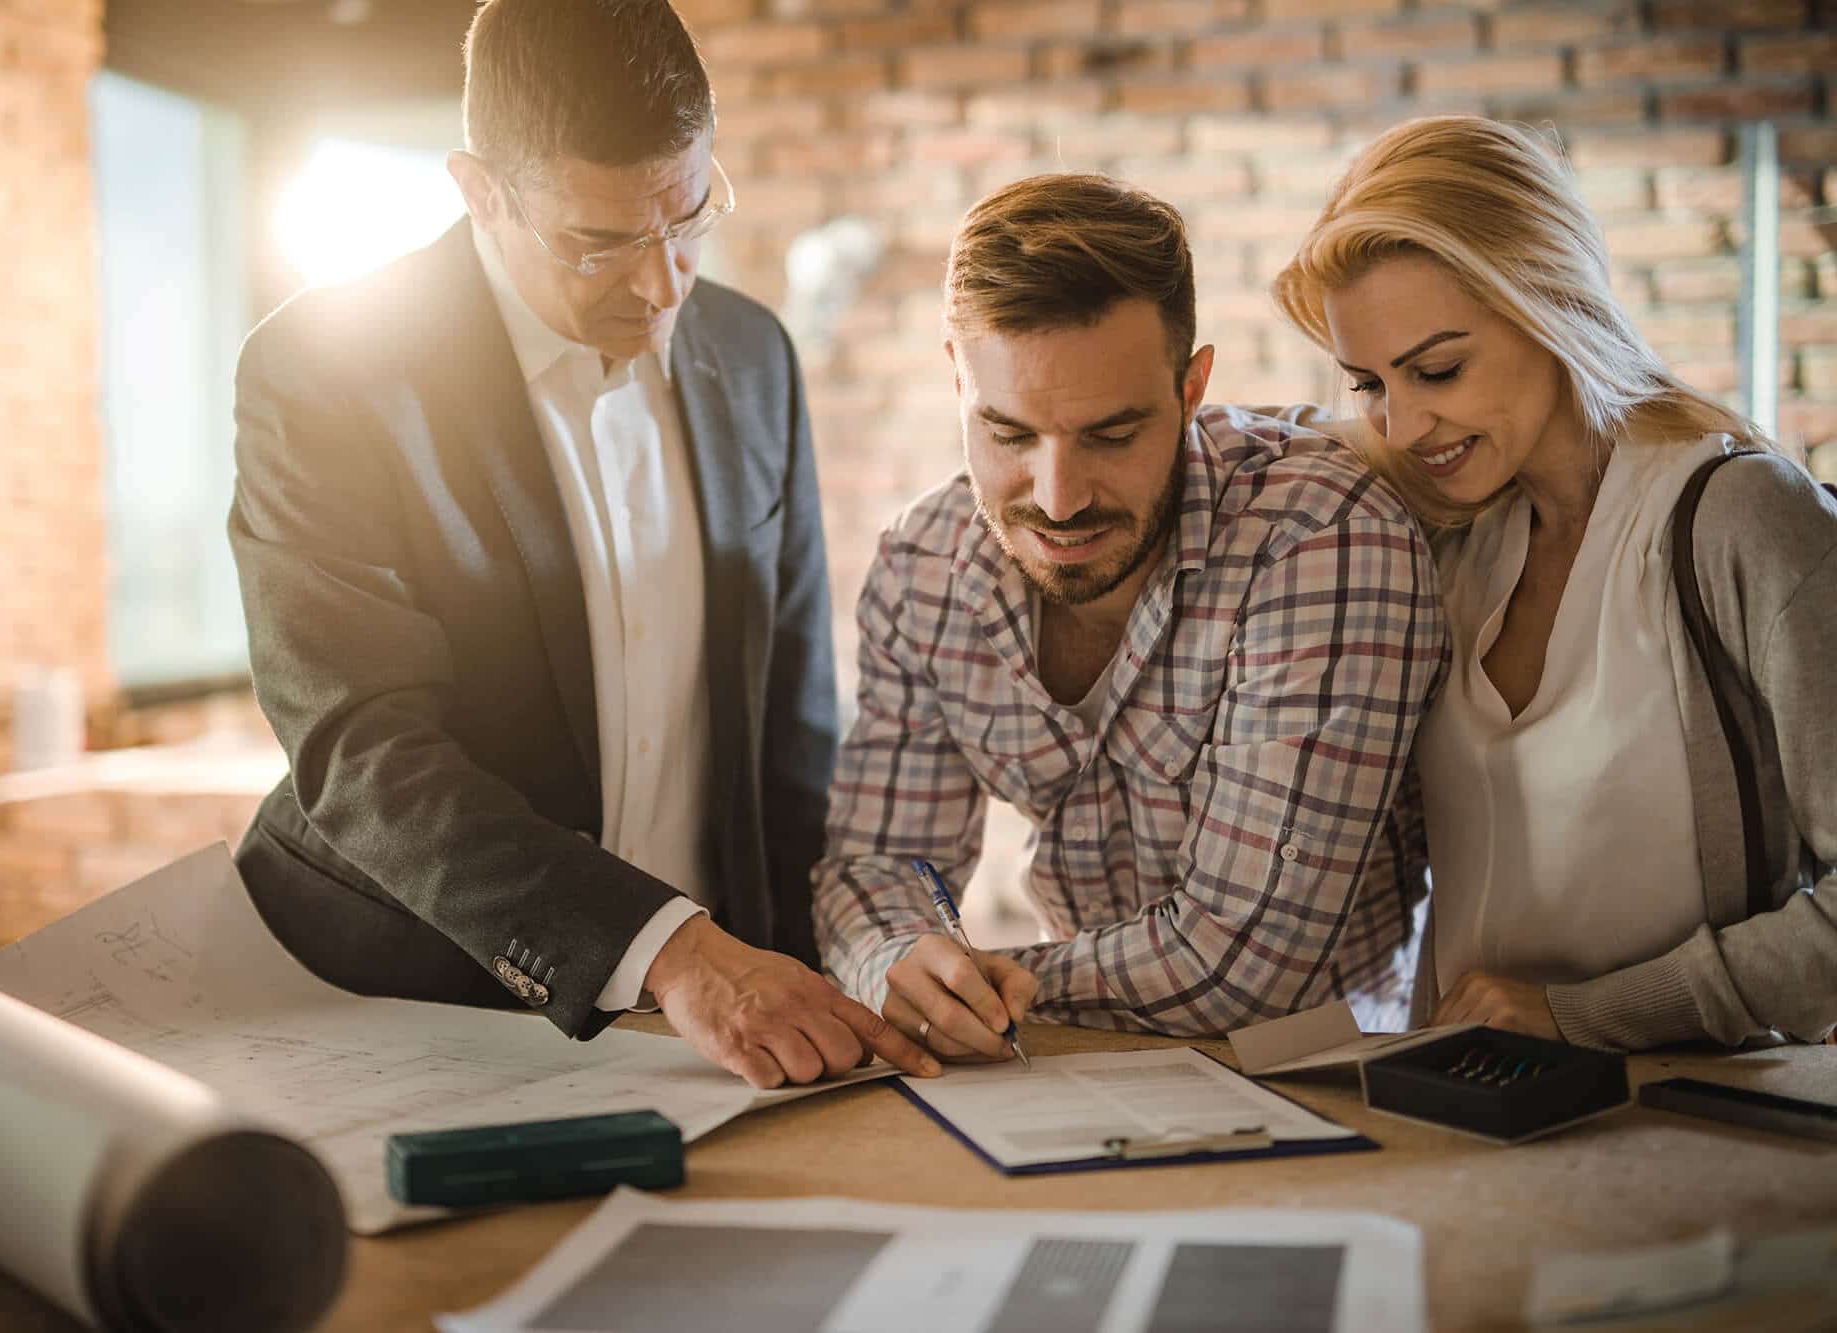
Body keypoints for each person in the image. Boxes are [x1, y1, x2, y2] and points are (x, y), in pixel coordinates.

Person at [227, 0, 935, 1088]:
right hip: (416, 997)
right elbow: (361, 751)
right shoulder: (324, 371)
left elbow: (788, 729)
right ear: (479, 191)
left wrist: (838, 960)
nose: (661, 286)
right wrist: (668, 951)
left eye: (690, 217)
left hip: (713, 1024)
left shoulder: (752, 355)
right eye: (599, 242)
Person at [811, 173, 1447, 1059]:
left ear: (1192, 388)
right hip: (1078, 1078)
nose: (1060, 499)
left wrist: (989, 984)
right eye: (1009, 434)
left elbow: (1247, 963)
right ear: (956, 378)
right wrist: (899, 952)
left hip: (1331, 1084)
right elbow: (880, 865)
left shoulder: (1320, 536)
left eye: (1111, 435)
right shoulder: (922, 569)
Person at [1271, 115, 1837, 1050]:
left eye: (1438, 369)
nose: (1404, 423)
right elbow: (1260, 451)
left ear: (1550, 304)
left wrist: (1585, 1016)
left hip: (1701, 1142)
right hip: (1463, 1117)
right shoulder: (1447, 534)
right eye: (1369, 383)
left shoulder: (1740, 517)